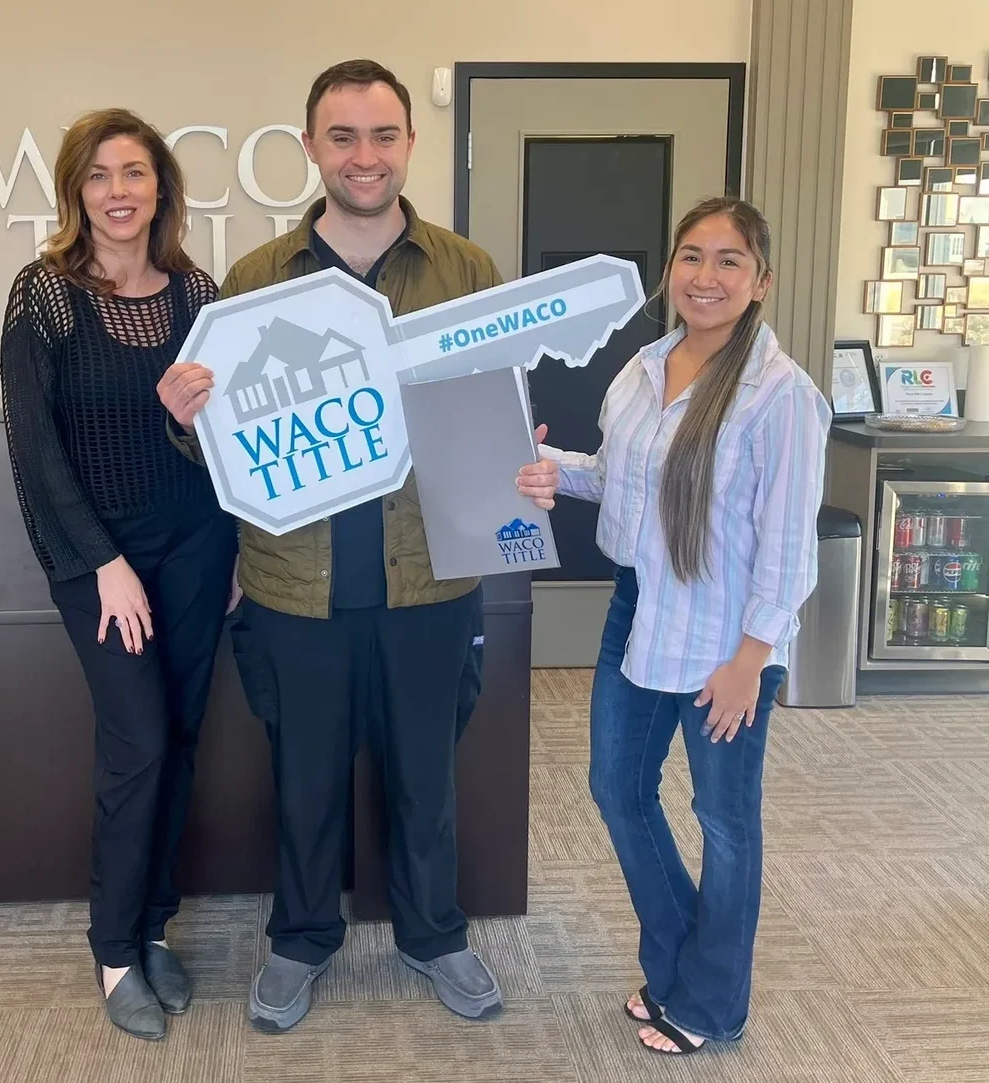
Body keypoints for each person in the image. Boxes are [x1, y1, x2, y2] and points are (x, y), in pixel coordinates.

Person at [158, 59, 544, 1033]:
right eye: (342, 136)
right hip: (297, 590)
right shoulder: (254, 282)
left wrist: (519, 455)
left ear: (409, 145)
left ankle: (433, 935)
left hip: (429, 582)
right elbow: (219, 443)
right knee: (303, 784)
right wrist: (180, 417)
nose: (363, 156)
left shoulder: (463, 271)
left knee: (426, 779)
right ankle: (299, 941)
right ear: (309, 149)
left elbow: (498, 407)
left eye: (381, 136)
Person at [517, 196, 831, 1055]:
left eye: (730, 260)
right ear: (670, 271)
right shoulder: (644, 369)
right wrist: (550, 470)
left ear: (760, 280)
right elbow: (623, 480)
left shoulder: (781, 396)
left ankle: (711, 1002)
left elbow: (787, 543)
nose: (707, 276)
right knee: (617, 789)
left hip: (729, 637)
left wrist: (752, 658)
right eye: (692, 256)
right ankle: (681, 964)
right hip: (639, 607)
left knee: (725, 821)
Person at [0, 107, 237, 1042]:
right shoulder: (45, 294)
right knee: (136, 739)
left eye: (135, 173)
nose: (118, 192)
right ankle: (111, 950)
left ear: (161, 190)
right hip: (99, 560)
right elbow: (33, 447)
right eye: (99, 175)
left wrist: (237, 553)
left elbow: (223, 436)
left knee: (179, 736)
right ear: (76, 191)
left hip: (196, 544)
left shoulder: (196, 294)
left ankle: (151, 926)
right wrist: (103, 563)